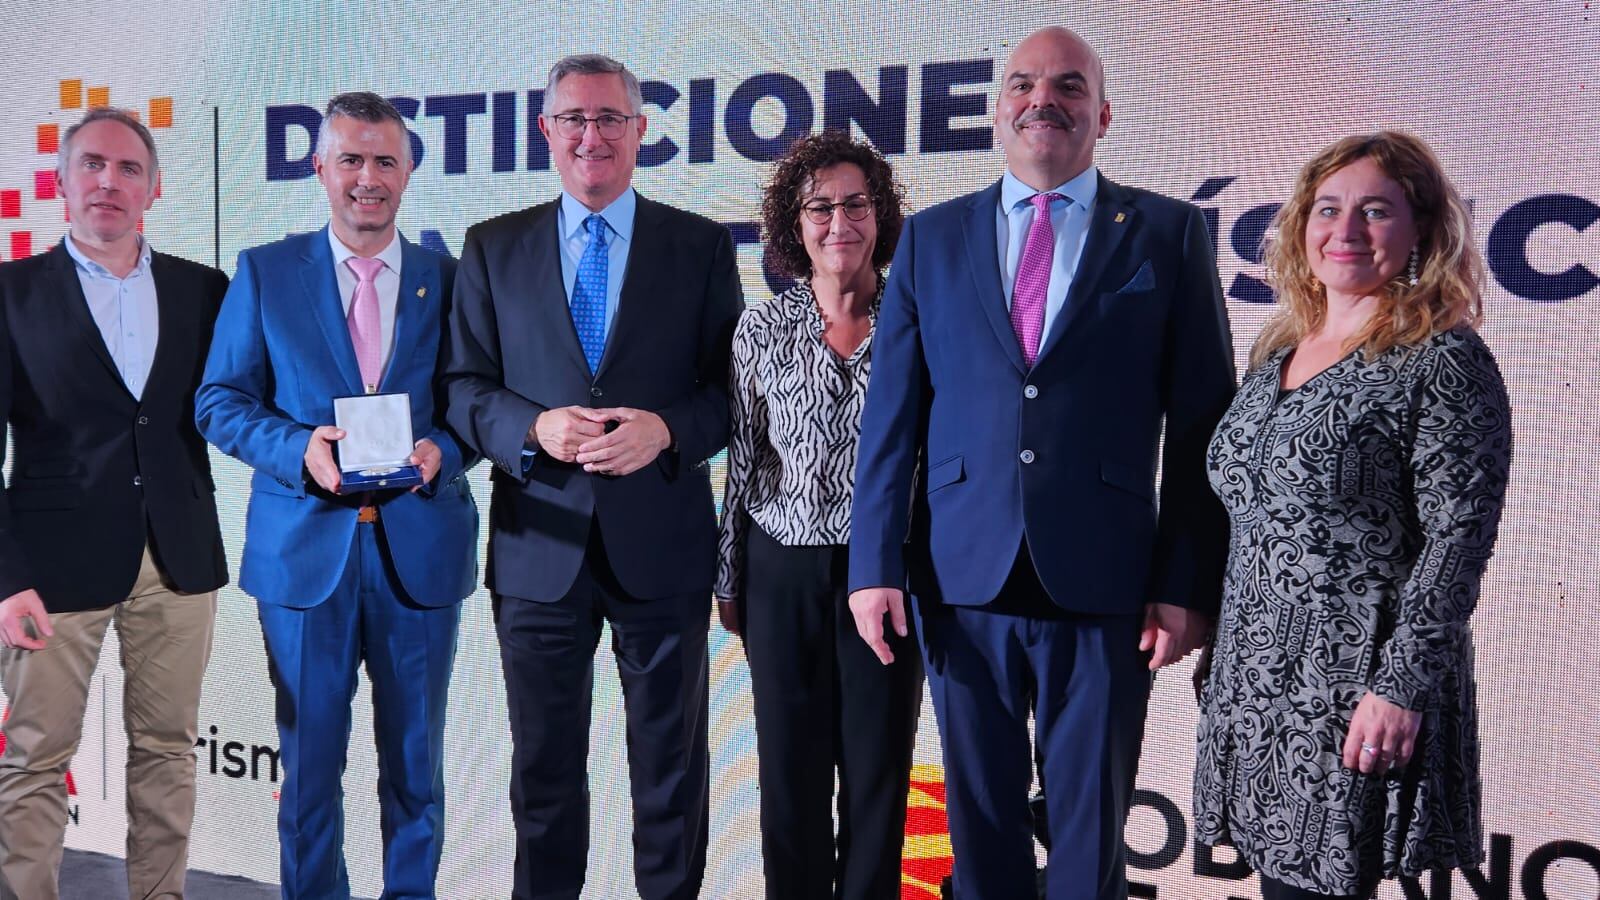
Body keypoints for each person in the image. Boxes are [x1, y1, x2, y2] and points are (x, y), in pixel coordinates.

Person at [846, 25, 1237, 900]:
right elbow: (892, 421)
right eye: (1022, 84)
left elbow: (1204, 424)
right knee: (979, 843)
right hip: (958, 579)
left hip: (1108, 586)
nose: (1041, 100)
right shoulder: (931, 239)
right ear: (997, 112)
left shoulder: (1168, 234)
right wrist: (872, 565)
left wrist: (1185, 582)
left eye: (1067, 86)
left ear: (1102, 113)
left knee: (1090, 838)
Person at [442, 53, 743, 900]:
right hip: (540, 552)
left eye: (611, 118)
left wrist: (666, 431)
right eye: (573, 118)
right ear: (544, 131)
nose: (592, 135)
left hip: (664, 552)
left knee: (671, 778)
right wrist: (531, 427)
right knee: (543, 777)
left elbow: (731, 397)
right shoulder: (492, 247)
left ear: (641, 131)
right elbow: (463, 389)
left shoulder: (700, 245)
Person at [1193, 131, 1512, 900]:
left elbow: (1457, 540)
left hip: (1355, 688)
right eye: (1328, 209)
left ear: (1423, 232)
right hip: (1256, 685)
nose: (1346, 231)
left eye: (1376, 211)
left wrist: (1400, 686)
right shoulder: (1279, 352)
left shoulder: (1442, 360)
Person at [195, 92, 478, 899]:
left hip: (418, 556)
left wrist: (446, 450)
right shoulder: (264, 272)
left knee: (416, 772)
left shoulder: (450, 281)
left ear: (410, 171)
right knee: (310, 774)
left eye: (385, 160)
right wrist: (299, 450)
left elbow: (477, 403)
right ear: (319, 168)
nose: (368, 177)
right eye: (350, 159)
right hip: (303, 559)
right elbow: (219, 400)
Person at [0, 107, 229, 900]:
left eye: (128, 169)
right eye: (92, 165)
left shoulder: (204, 290)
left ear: (155, 189)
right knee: (34, 760)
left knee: (167, 750)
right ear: (61, 185)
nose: (109, 182)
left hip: (179, 557)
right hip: (48, 573)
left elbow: (233, 408)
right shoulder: (11, 292)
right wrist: (5, 578)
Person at [714, 130, 920, 900]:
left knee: (877, 772)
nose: (840, 223)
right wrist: (729, 576)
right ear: (793, 226)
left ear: (881, 215)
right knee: (789, 774)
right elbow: (743, 462)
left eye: (856, 204)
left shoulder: (917, 319)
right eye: (820, 207)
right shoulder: (760, 330)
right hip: (781, 571)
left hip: (887, 573)